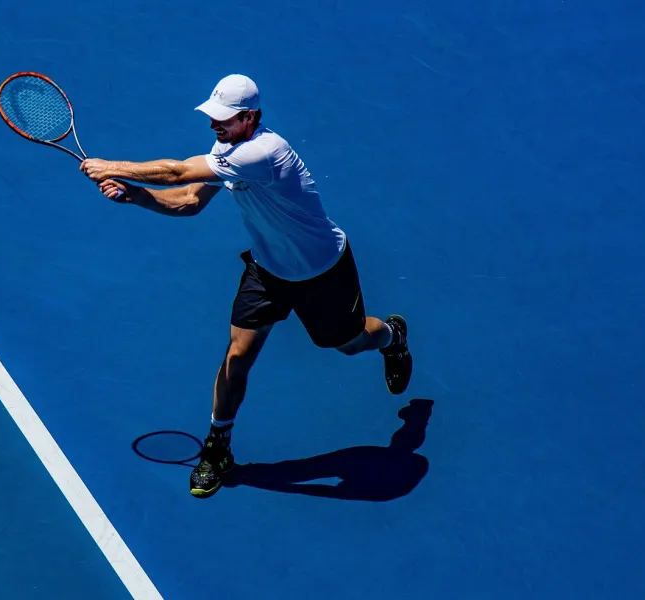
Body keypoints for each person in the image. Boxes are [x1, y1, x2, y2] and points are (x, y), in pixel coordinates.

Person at [79, 74, 413, 498]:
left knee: (347, 342)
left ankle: (392, 336)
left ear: (250, 117)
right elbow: (189, 200)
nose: (214, 125)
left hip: (323, 270)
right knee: (237, 356)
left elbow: (176, 171)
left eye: (224, 118)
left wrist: (112, 166)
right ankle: (218, 447)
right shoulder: (227, 149)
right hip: (267, 270)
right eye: (212, 116)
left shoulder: (264, 152)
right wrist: (137, 196)